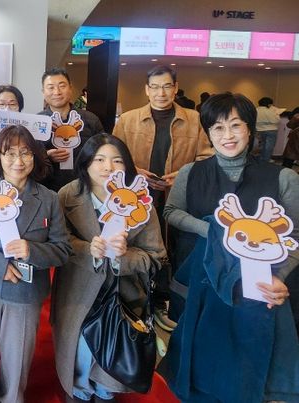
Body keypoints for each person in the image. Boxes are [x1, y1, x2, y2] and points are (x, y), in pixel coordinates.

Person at [163, 93, 299, 403]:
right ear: (208, 133)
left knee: (248, 366)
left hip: (260, 286)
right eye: (218, 127)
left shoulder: (283, 177)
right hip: (204, 281)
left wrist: (280, 276)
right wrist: (215, 230)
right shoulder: (191, 173)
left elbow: (296, 233)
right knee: (203, 360)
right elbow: (171, 211)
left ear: (250, 129)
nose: (228, 135)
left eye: (236, 125)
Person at [0, 125, 72, 403]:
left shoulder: (48, 199)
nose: (18, 161)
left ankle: (11, 399)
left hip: (25, 294)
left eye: (26, 153)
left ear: (35, 157)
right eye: (10, 153)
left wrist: (32, 250)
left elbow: (63, 249)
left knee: (17, 357)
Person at [52, 134, 166, 403]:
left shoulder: (140, 203)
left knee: (113, 350)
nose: (108, 167)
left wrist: (122, 256)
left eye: (117, 160)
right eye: (99, 159)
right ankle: (79, 391)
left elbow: (156, 257)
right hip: (78, 289)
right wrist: (86, 249)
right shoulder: (68, 195)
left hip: (123, 294)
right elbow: (59, 241)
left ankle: (105, 391)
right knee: (78, 349)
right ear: (86, 163)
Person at [113, 65, 213, 331]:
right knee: (139, 245)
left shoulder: (194, 119)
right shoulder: (128, 120)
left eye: (167, 86)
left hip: (177, 197)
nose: (161, 93)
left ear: (175, 88)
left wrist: (182, 175)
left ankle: (164, 300)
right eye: (155, 87)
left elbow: (206, 157)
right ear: (147, 90)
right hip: (137, 196)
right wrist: (135, 171)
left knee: (173, 248)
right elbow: (112, 156)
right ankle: (137, 300)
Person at [38, 67, 105, 192]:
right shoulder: (37, 122)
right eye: (51, 87)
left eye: (62, 86)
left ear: (70, 88)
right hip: (47, 189)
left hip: (84, 188)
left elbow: (104, 152)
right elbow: (28, 155)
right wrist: (46, 156)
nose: (57, 92)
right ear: (43, 92)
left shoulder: (91, 119)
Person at [256, 96, 283, 162]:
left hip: (258, 130)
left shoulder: (255, 110)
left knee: (261, 145)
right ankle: (266, 160)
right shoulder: (269, 111)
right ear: (269, 104)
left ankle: (260, 159)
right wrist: (276, 113)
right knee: (269, 147)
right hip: (271, 130)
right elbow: (276, 120)